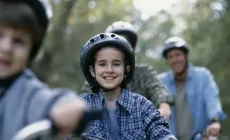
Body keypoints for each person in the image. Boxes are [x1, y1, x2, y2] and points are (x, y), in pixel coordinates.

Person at [0, 0, 91, 139]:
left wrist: (67, 106)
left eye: (18, 41)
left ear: (31, 51)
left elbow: (51, 101)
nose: (6, 48)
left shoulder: (28, 93)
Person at [80, 33, 177, 140]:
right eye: (102, 64)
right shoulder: (82, 106)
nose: (109, 70)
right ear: (92, 70)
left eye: (116, 64)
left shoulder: (142, 106)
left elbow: (160, 131)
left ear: (126, 69)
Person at [81, 21, 172, 120]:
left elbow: (157, 90)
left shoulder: (144, 72)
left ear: (133, 48)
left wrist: (164, 107)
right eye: (102, 64)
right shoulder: (97, 77)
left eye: (125, 44)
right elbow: (86, 97)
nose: (109, 70)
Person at [158, 36, 227, 140]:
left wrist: (214, 121)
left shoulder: (203, 75)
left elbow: (212, 100)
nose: (174, 60)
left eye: (178, 55)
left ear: (185, 56)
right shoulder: (161, 81)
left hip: (200, 137)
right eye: (170, 57)